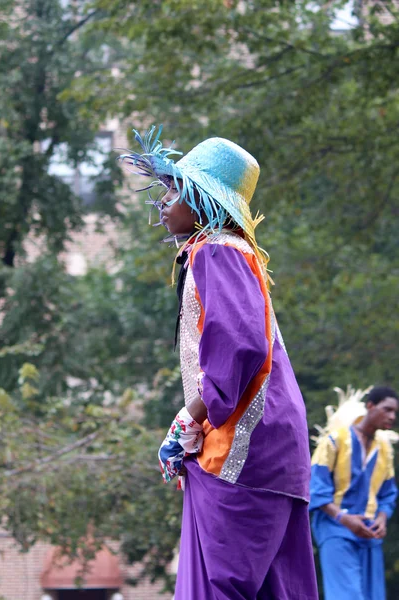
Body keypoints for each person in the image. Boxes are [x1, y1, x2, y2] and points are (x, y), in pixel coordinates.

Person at [119, 126, 318, 600]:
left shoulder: (216, 251)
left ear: (205, 201)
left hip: (242, 451)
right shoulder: (237, 253)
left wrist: (189, 419)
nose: (164, 201)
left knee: (215, 587)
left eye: (175, 189)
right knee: (278, 590)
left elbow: (239, 349)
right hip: (277, 449)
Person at [310, 385, 398, 600]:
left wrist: (382, 519)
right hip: (335, 528)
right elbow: (315, 489)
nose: (392, 416)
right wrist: (344, 518)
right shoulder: (334, 440)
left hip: (369, 533)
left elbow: (388, 494)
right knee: (346, 596)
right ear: (370, 406)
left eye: (395, 412)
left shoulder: (385, 448)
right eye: (387, 409)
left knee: (373, 596)